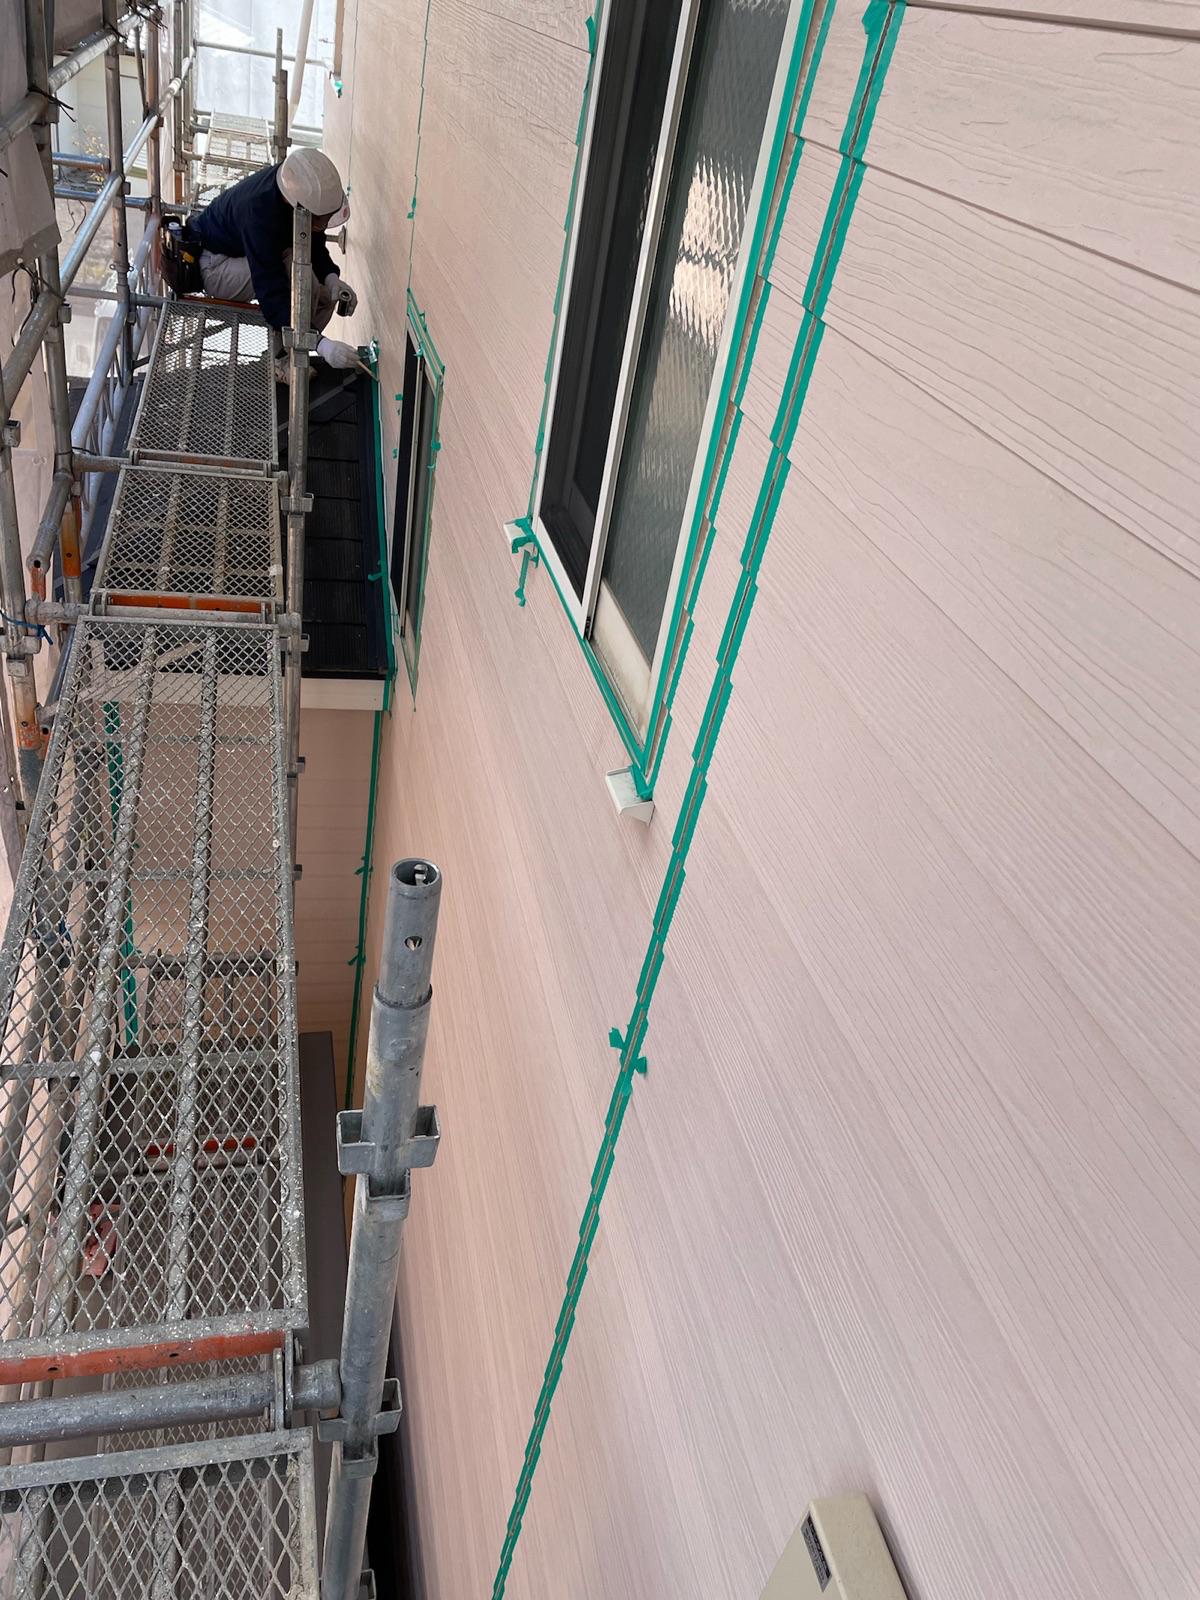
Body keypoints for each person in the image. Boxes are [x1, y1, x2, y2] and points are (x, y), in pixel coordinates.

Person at [190, 147, 363, 380]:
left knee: (321, 292)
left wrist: (332, 279)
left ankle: (297, 347)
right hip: (214, 266)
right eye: (320, 220)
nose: (322, 226)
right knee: (298, 278)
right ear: (299, 207)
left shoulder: (297, 188)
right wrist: (322, 345)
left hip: (240, 253)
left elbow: (313, 239)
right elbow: (271, 290)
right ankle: (280, 359)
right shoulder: (258, 214)